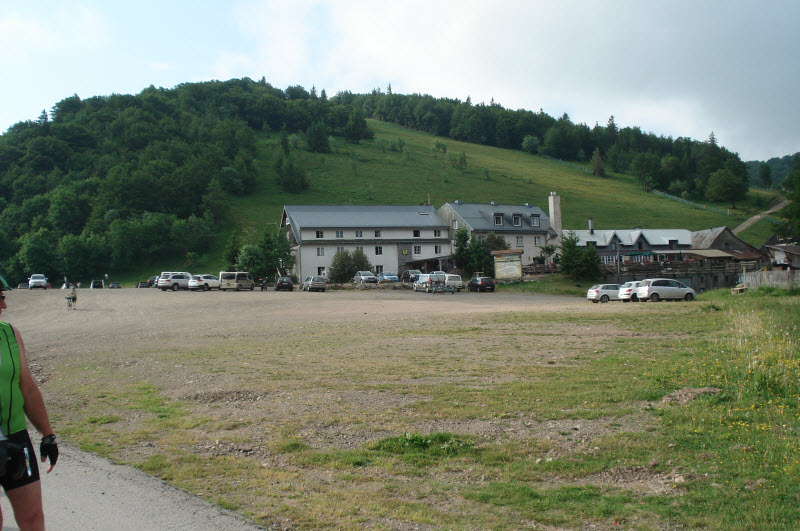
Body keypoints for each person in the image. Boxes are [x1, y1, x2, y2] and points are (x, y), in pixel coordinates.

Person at [0, 282, 58, 530]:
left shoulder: (9, 334)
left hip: (15, 438)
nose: (4, 305)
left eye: (2, 297)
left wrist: (47, 435)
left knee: (34, 518)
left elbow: (27, 387)